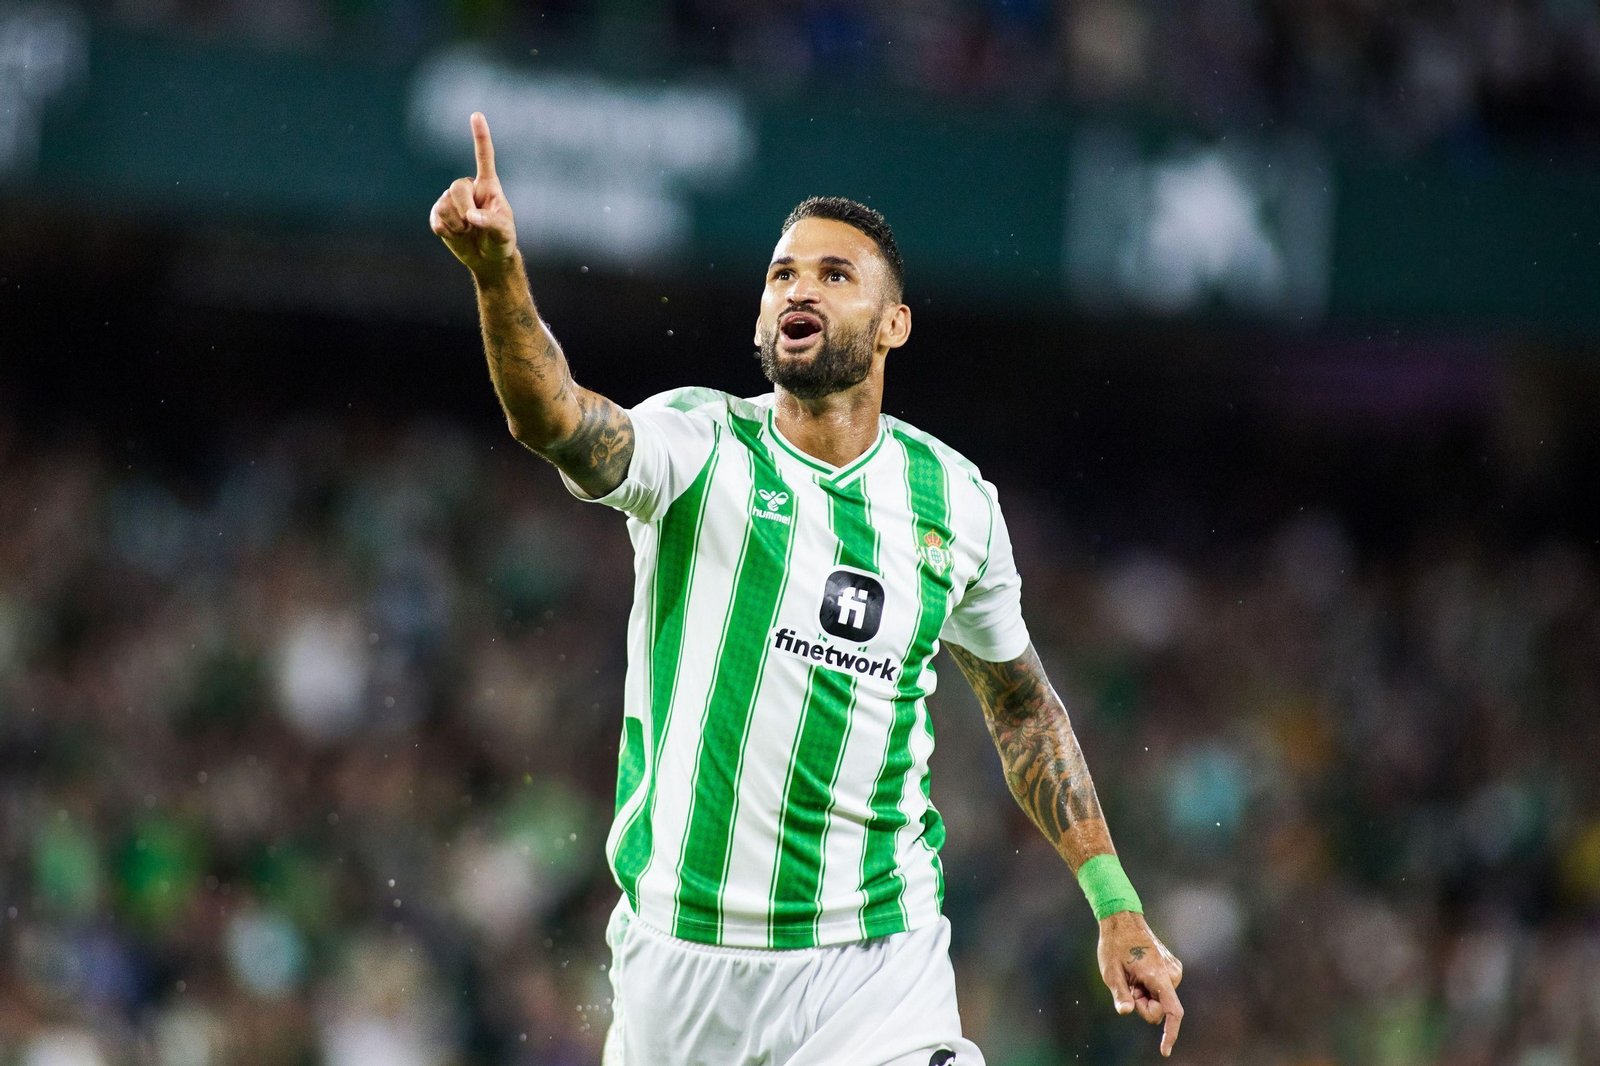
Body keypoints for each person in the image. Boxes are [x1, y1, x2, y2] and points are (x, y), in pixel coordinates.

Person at [430, 112, 1184, 1066]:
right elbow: (557, 423)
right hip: (681, 962)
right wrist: (498, 274)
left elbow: (1023, 706)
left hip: (874, 964)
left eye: (834, 275)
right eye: (783, 273)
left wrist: (1115, 904)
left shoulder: (954, 503)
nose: (800, 288)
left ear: (893, 324)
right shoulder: (700, 444)